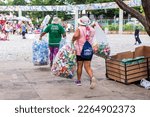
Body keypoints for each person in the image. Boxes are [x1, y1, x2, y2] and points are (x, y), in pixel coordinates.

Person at [72, 16, 96, 89]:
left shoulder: (79, 29)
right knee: (88, 66)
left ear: (80, 22)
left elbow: (76, 35)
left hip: (80, 51)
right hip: (89, 50)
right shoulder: (92, 29)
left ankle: (79, 81)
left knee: (79, 66)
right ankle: (92, 78)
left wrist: (72, 40)